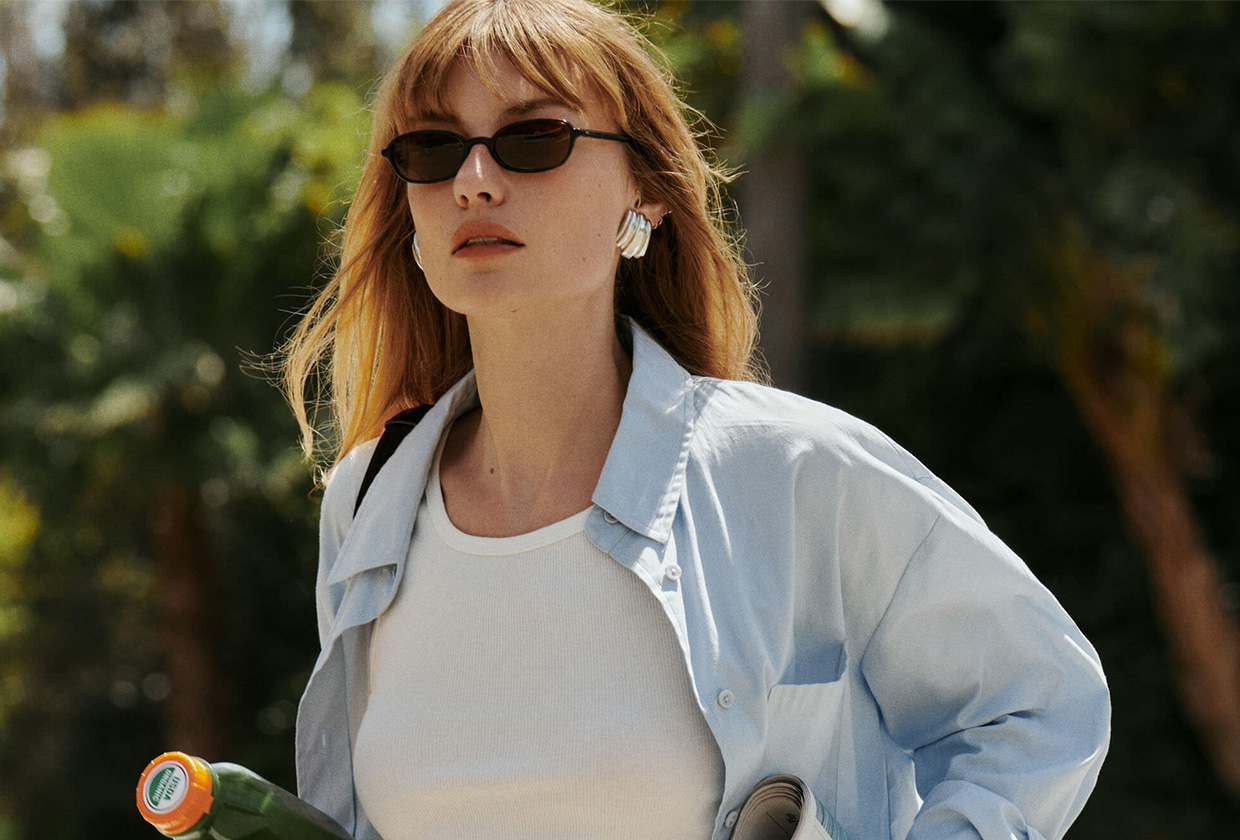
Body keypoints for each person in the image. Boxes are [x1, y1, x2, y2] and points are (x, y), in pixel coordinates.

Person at [282, 1, 1110, 838]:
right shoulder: (368, 502)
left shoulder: (790, 469)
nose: (474, 180)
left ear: (644, 188)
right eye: (432, 149)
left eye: (534, 138)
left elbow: (1037, 707)